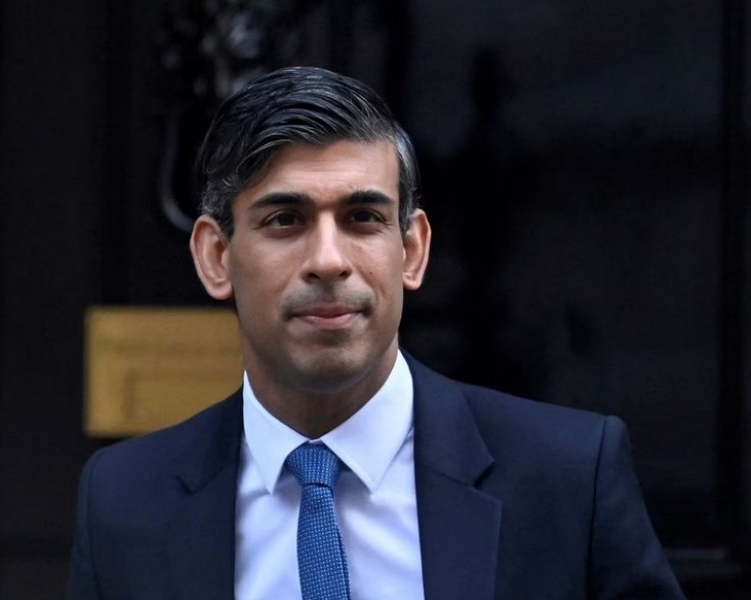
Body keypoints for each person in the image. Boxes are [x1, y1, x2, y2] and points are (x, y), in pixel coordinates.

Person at [68, 66, 684, 599]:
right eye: (285, 220)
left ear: (412, 250)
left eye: (363, 218)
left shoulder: (570, 476)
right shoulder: (124, 500)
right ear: (215, 256)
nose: (329, 260)